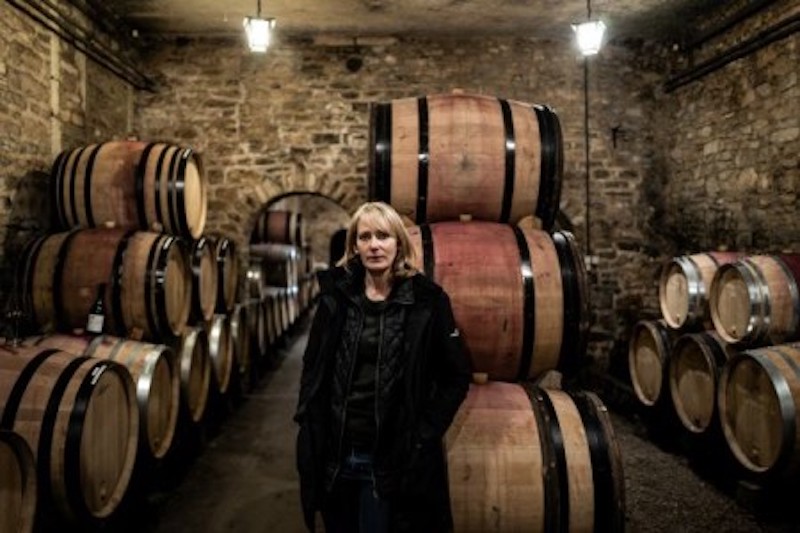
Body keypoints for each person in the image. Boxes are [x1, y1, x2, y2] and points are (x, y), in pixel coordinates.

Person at [294, 201, 471, 532]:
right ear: (354, 247)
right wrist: (308, 418)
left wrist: (424, 433)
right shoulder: (336, 298)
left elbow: (456, 375)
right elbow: (313, 364)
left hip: (392, 460)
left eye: (383, 236)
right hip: (336, 455)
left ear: (399, 243)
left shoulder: (427, 301)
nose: (374, 245)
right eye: (364, 237)